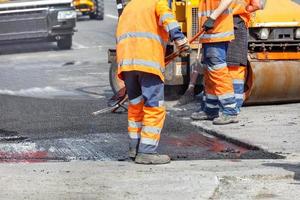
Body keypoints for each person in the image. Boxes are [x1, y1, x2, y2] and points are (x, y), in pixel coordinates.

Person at [116, 0, 190, 164]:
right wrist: (181, 40)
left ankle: (134, 149)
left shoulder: (129, 7)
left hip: (127, 65)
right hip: (147, 63)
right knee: (153, 106)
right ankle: (147, 151)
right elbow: (168, 20)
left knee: (136, 106)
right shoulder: (157, 2)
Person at [191, 0, 238, 125]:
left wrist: (212, 17)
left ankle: (230, 111)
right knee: (210, 72)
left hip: (217, 31)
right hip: (210, 33)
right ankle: (211, 109)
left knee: (218, 72)